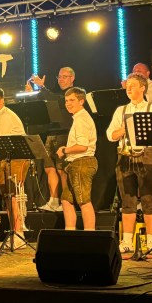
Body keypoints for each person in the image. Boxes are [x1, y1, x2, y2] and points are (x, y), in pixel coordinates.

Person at [106, 73, 152, 256]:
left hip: (147, 155)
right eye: (127, 85)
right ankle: (127, 241)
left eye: (132, 85)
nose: (128, 88)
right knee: (127, 200)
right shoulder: (121, 110)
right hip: (125, 157)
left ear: (142, 88)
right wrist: (122, 130)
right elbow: (110, 135)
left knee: (149, 199)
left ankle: (151, 242)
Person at [0, 87, 30, 248]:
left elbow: (0, 140)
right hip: (5, 158)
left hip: (16, 158)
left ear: (2, 101)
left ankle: (19, 233)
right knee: (7, 195)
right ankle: (15, 231)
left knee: (14, 194)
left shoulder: (5, 116)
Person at [25, 66, 77, 211]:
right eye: (59, 77)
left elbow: (55, 99)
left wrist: (42, 88)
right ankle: (54, 200)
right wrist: (32, 94)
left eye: (64, 76)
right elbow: (43, 104)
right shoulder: (53, 93)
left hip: (64, 134)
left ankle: (66, 202)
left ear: (72, 78)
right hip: (51, 133)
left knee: (62, 170)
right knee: (49, 168)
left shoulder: (73, 94)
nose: (61, 79)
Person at [55, 86, 98, 230]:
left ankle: (90, 235)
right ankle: (70, 233)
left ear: (81, 101)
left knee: (83, 200)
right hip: (74, 163)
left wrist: (64, 150)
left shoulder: (82, 119)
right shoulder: (77, 118)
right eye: (66, 100)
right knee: (66, 200)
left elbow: (83, 146)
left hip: (82, 162)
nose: (68, 103)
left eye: (72, 100)